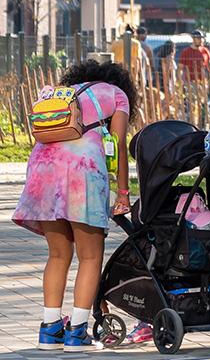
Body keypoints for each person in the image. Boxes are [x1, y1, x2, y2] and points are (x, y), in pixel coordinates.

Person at [14, 59, 133, 351]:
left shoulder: (63, 93)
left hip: (42, 169)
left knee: (57, 255)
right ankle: (77, 332)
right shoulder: (116, 94)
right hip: (82, 171)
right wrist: (123, 192)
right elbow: (116, 144)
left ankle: (49, 330)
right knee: (90, 257)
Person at [176, 30, 210, 125]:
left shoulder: (205, 51)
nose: (201, 41)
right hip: (191, 82)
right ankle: (194, 124)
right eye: (199, 39)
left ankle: (202, 123)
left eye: (202, 39)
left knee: (203, 103)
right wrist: (180, 82)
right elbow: (180, 68)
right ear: (193, 39)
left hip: (203, 82)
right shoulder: (186, 52)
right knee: (193, 104)